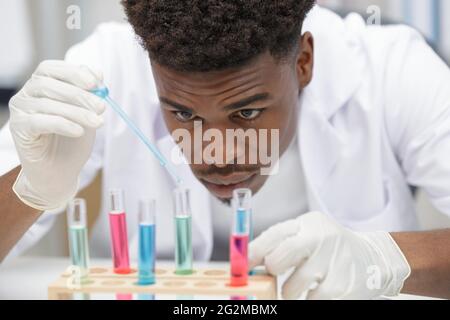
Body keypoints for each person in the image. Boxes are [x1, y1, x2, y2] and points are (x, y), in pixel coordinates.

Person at [0, 1, 449, 299]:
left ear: (304, 62)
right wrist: (30, 189)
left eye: (247, 113)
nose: (215, 155)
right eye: (181, 112)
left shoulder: (393, 70)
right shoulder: (101, 74)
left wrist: (385, 258)